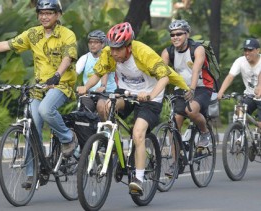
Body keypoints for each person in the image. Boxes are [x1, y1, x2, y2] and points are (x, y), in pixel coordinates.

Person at [0, 0, 78, 188]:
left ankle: (68, 139)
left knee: (45, 110)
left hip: (61, 85)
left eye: (49, 13)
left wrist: (57, 75)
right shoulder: (33, 34)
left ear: (58, 15)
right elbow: (7, 45)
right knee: (32, 126)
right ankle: (33, 174)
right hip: (39, 87)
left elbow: (68, 57)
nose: (44, 16)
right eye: (41, 12)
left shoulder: (67, 34)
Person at [77, 22, 189, 195]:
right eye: (112, 48)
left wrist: (151, 95)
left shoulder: (143, 53)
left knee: (138, 134)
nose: (114, 53)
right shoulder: (109, 53)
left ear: (129, 46)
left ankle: (138, 178)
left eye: (118, 49)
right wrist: (85, 87)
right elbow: (98, 73)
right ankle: (113, 145)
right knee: (105, 106)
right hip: (126, 93)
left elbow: (165, 78)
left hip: (150, 97)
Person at [161, 19, 213, 149]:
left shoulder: (197, 49)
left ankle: (205, 133)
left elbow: (195, 70)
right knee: (174, 125)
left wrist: (192, 89)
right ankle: (176, 162)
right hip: (181, 88)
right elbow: (160, 74)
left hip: (202, 86)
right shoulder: (168, 52)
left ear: (187, 34)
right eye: (172, 35)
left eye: (179, 34)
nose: (175, 37)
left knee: (191, 110)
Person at [217, 38, 261, 126]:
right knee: (239, 114)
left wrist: (259, 86)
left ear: (258, 50)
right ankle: (240, 136)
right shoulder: (240, 61)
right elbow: (230, 76)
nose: (247, 53)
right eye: (245, 50)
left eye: (250, 50)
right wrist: (221, 92)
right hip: (250, 96)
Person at [76, 30, 117, 113]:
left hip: (108, 93)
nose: (92, 45)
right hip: (89, 93)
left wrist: (103, 86)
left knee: (102, 108)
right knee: (83, 113)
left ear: (102, 44)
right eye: (90, 42)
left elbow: (104, 72)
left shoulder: (108, 55)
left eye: (96, 42)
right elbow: (74, 73)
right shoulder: (85, 58)